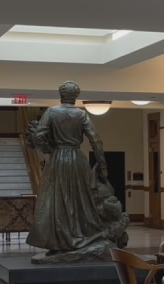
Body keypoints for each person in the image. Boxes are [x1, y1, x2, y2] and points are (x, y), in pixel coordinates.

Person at [26, 82, 128, 263]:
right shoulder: (81, 114)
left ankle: (62, 242)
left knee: (57, 200)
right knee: (80, 200)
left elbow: (38, 135)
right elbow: (96, 140)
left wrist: (48, 148)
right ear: (76, 95)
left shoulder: (51, 112)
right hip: (77, 159)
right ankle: (80, 237)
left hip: (58, 159)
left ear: (60, 94)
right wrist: (103, 166)